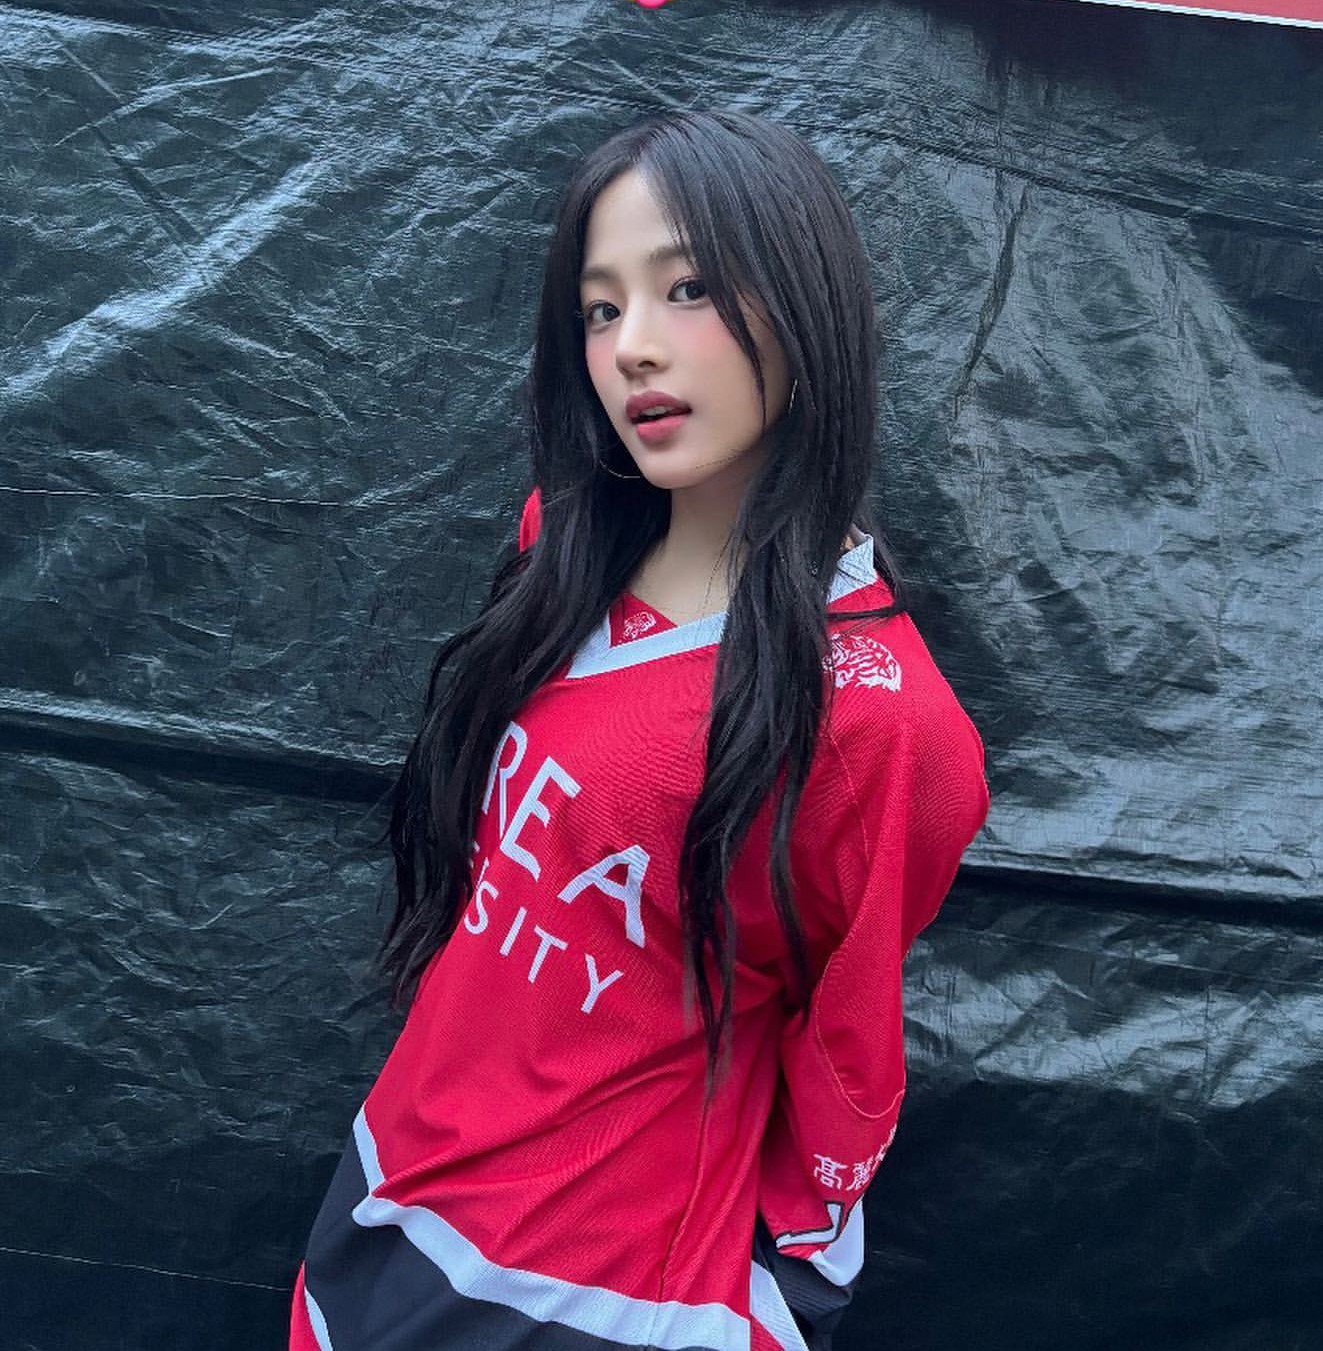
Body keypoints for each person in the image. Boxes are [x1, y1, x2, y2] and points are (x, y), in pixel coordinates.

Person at [287, 108, 991, 1351]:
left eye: (688, 288)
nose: (634, 348)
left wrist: (779, 1294)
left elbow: (846, 1060)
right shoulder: (560, 552)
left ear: (805, 299)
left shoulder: (881, 722)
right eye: (600, 308)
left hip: (597, 1294)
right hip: (390, 1193)